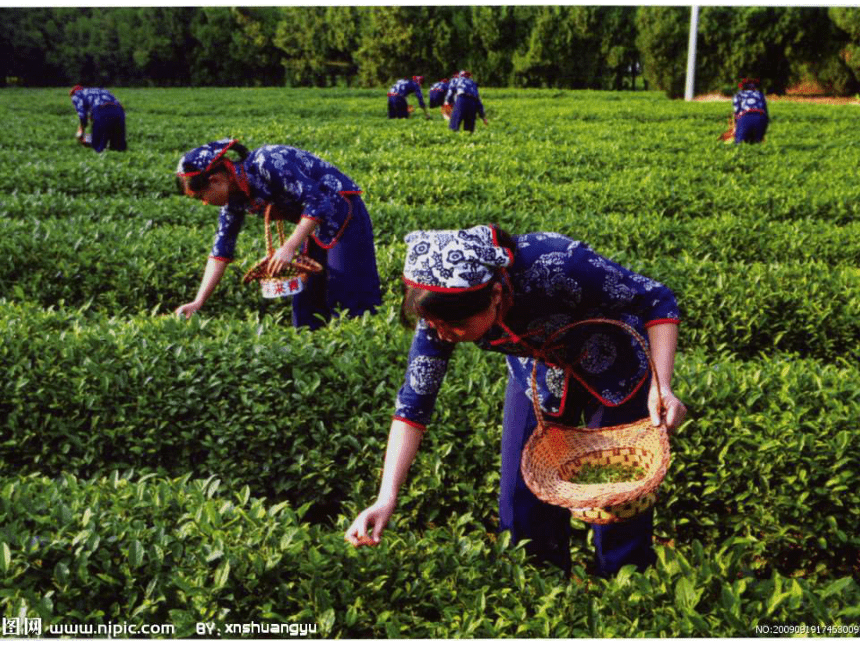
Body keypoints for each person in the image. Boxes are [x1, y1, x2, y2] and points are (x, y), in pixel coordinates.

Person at [345, 224, 687, 578]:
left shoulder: (559, 263)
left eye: (454, 326)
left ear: (494, 296)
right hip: (538, 371)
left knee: (618, 493)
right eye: (435, 324)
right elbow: (413, 405)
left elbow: (656, 297)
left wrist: (661, 386)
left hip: (613, 360)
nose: (443, 334)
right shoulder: (441, 313)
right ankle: (542, 585)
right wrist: (386, 497)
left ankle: (624, 587)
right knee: (521, 495)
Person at [174, 139, 382, 330]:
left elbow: (318, 201)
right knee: (306, 303)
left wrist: (289, 247)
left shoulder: (267, 161)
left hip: (343, 213)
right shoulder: (234, 200)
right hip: (311, 226)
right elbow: (221, 251)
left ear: (216, 180)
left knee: (347, 294)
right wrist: (198, 301)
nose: (204, 202)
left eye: (202, 196)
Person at [69, 85, 127, 153]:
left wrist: (81, 131)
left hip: (101, 110)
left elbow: (82, 114)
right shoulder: (101, 90)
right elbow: (120, 105)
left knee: (99, 145)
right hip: (118, 111)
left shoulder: (77, 95)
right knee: (118, 146)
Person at [732, 77, 768, 144]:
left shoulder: (738, 95)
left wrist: (735, 128)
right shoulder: (760, 94)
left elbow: (737, 112)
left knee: (740, 144)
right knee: (757, 143)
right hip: (761, 118)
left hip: (745, 118)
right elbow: (766, 113)